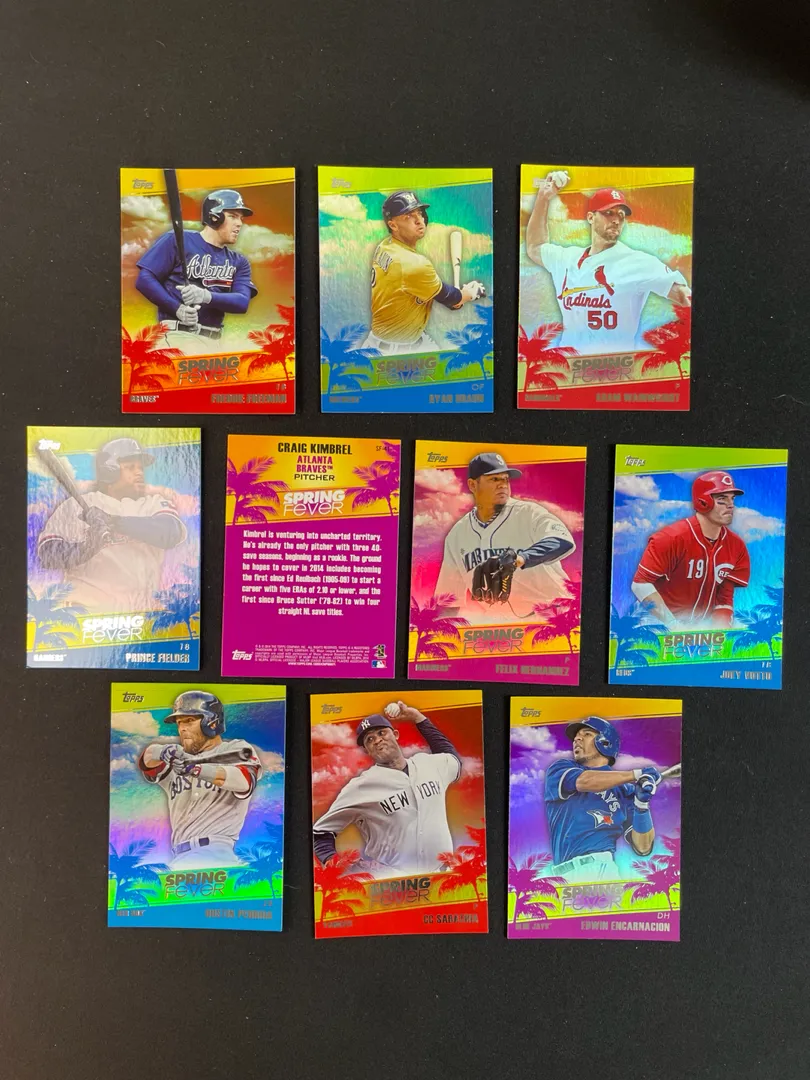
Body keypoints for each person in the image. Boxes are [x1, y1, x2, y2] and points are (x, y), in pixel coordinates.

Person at [525, 171, 691, 355]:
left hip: (614, 366)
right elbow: (534, 247)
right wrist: (543, 198)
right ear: (590, 217)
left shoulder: (638, 262)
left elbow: (684, 297)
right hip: (568, 366)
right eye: (608, 213)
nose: (616, 220)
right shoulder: (566, 259)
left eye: (621, 215)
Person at [312, 701, 462, 878]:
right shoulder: (361, 786)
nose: (377, 740)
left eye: (381, 733)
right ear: (367, 751)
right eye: (369, 739)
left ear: (395, 734)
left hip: (444, 875)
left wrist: (417, 718)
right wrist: (336, 865)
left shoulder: (429, 764)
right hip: (392, 883)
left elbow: (451, 758)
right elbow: (320, 833)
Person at [37, 437, 186, 614]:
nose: (139, 472)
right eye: (130, 467)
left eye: (140, 467)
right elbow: (47, 554)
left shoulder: (153, 504)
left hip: (140, 612)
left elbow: (171, 533)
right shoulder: (75, 505)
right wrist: (88, 547)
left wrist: (113, 521)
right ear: (109, 470)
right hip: (85, 612)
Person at [434, 452, 575, 623]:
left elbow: (562, 540)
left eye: (505, 479)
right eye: (494, 479)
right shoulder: (457, 536)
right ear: (472, 485)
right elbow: (448, 603)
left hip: (557, 616)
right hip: (505, 626)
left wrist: (520, 558)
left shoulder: (529, 513)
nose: (502, 484)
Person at [138, 690, 263, 870]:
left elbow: (244, 781)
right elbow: (146, 760)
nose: (182, 728)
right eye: (179, 722)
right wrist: (163, 751)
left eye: (189, 720)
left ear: (211, 722)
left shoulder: (235, 749)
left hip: (214, 851)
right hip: (179, 856)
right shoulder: (176, 758)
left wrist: (195, 768)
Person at [361, 189, 485, 356]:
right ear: (393, 225)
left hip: (391, 340)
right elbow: (452, 299)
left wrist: (456, 297)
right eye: (408, 216)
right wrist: (471, 292)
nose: (419, 220)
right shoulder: (414, 264)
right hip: (392, 352)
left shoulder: (385, 246)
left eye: (419, 213)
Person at [544, 717, 661, 883]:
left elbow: (643, 847)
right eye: (576, 736)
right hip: (561, 875)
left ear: (605, 743)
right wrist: (636, 775)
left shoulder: (626, 792)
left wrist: (642, 805)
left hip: (600, 869)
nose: (577, 739)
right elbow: (585, 781)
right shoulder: (561, 769)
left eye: (586, 734)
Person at [135, 188, 257, 342]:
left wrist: (205, 296)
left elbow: (242, 302)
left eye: (241, 219)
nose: (239, 223)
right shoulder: (178, 239)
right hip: (177, 334)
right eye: (232, 216)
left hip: (214, 340)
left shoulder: (239, 261)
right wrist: (177, 309)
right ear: (214, 217)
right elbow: (144, 279)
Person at [631, 471, 750, 628]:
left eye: (732, 499)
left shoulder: (736, 546)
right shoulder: (670, 538)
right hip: (654, 623)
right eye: (722, 499)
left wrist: (721, 631)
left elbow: (724, 597)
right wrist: (673, 625)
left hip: (696, 628)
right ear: (703, 502)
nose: (731, 505)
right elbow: (640, 585)